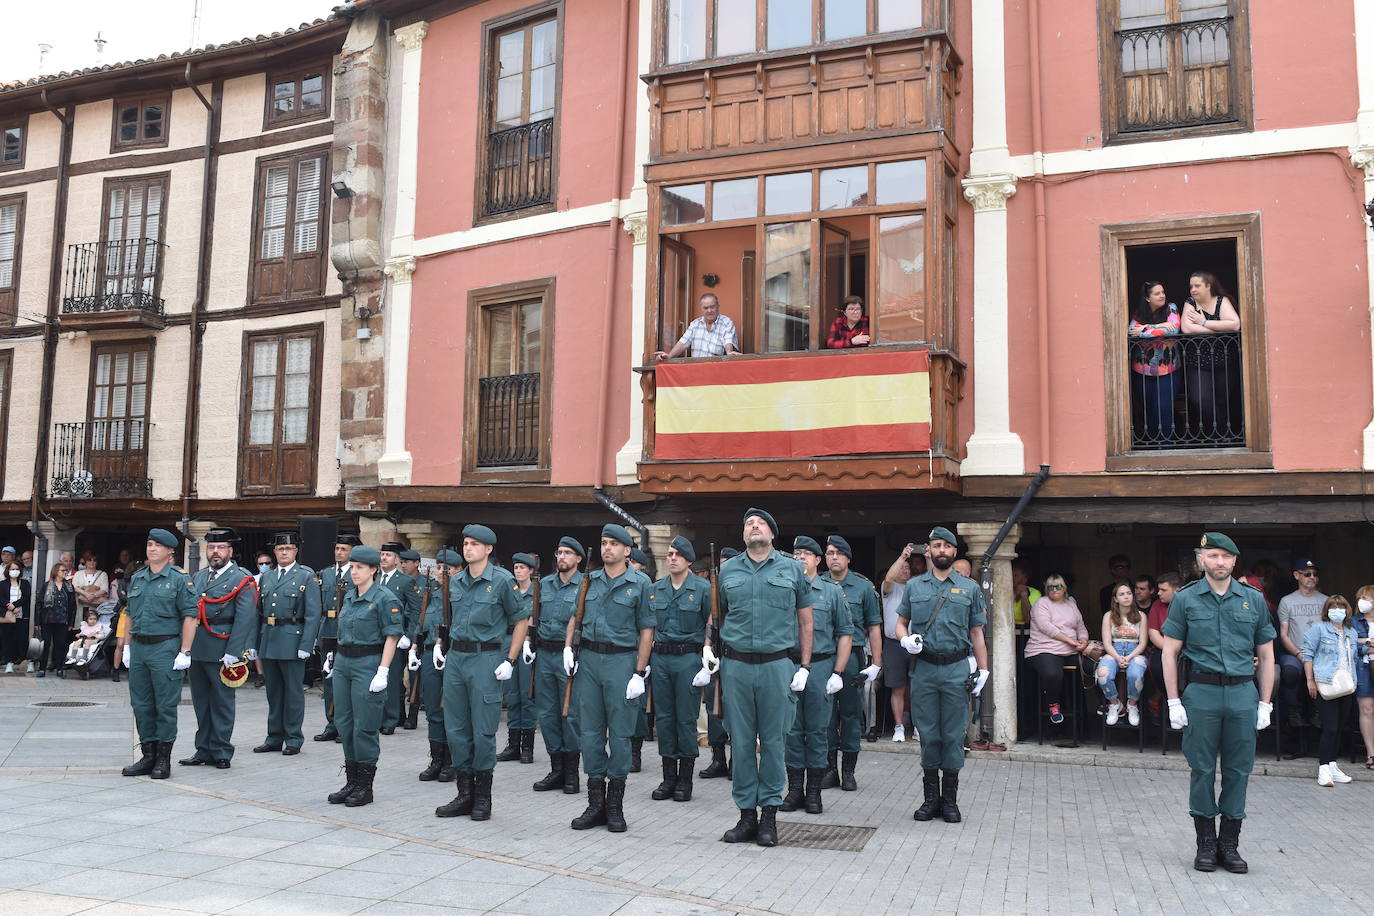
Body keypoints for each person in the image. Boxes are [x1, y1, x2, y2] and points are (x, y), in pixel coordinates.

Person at [1159, 531, 1274, 875]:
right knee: (1203, 770)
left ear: (1235, 561)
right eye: (1212, 556)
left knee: (1239, 770)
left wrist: (1266, 702)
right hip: (1202, 692)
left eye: (1225, 556)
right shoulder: (1186, 599)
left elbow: (1266, 655)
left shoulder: (1253, 600)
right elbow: (1169, 652)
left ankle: (1230, 845)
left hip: (1242, 692)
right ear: (1201, 561)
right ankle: (1206, 844)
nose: (1219, 562)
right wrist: (1173, 701)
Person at [716, 509, 812, 847]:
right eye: (747, 524)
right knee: (740, 742)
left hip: (776, 666)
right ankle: (746, 816)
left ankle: (769, 815)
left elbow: (805, 620)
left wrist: (804, 665)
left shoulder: (792, 569)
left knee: (773, 742)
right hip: (737, 666)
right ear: (743, 535)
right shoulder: (727, 570)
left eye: (760, 523)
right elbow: (722, 615)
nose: (753, 526)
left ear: (772, 534)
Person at [434, 524, 528, 822]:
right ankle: (464, 794)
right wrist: (440, 645)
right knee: (456, 729)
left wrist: (510, 660)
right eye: (466, 543)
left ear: (488, 549)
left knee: (483, 731)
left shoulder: (502, 581)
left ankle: (483, 797)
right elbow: (447, 619)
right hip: (457, 658)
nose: (468, 548)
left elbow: (522, 620)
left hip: (486, 659)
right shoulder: (456, 581)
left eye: (475, 544)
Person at [895, 527, 988, 823]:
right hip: (924, 668)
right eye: (937, 545)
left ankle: (950, 801)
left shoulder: (969, 589)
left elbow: (977, 633)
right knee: (928, 733)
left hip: (955, 669)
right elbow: (901, 623)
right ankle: (930, 799)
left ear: (954, 552)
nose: (942, 550)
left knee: (952, 733)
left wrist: (984, 669)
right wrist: (904, 640)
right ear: (929, 552)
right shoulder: (914, 586)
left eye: (947, 546)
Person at [564, 524, 653, 833]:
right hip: (589, 661)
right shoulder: (588, 581)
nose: (607, 548)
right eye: (603, 543)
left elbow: (647, 630)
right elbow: (575, 617)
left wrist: (639, 672)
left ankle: (615, 806)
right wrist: (567, 648)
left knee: (620, 735)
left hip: (621, 661)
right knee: (589, 733)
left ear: (627, 550)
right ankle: (595, 804)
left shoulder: (640, 583)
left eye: (614, 543)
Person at [326, 545, 402, 807]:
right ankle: (352, 781)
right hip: (344, 662)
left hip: (368, 663)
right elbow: (343, 630)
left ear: (373, 570)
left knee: (364, 727)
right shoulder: (349, 596)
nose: (354, 572)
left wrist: (383, 670)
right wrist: (332, 656)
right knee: (344, 723)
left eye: (360, 567)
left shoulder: (384, 598)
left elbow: (392, 636)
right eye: (352, 567)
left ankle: (365, 787)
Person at [119, 529, 196, 780]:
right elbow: (130, 613)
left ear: (169, 551)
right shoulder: (138, 578)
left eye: (157, 546)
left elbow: (189, 616)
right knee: (141, 704)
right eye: (149, 544)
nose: (151, 549)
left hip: (165, 647)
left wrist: (185, 651)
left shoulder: (179, 579)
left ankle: (163, 759)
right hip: (139, 646)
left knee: (164, 705)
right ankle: (148, 755)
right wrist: (127, 646)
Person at [783, 536, 852, 815]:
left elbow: (845, 634)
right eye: (796, 553)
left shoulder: (831, 592)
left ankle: (813, 793)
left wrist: (838, 672)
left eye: (806, 554)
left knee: (817, 730)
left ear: (817, 560)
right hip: (789, 664)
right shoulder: (785, 589)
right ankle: (794, 791)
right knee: (791, 730)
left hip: (821, 667)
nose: (800, 558)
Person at [179, 527, 258, 770]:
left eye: (221, 547)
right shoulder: (200, 576)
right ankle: (203, 749)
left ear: (231, 551)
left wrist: (234, 651)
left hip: (224, 646)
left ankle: (222, 750)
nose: (215, 552)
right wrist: (186, 648)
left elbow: (245, 618)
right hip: (200, 646)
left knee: (222, 702)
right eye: (211, 547)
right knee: (201, 701)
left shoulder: (242, 578)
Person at [648, 535, 713, 804]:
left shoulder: (703, 588)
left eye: (677, 554)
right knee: (664, 718)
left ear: (688, 560)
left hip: (688, 658)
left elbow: (712, 621)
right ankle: (668, 778)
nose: (672, 558)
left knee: (685, 719)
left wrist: (707, 655)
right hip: (661, 658)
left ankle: (685, 780)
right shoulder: (656, 588)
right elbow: (648, 624)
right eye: (670, 554)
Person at [252, 531, 323, 756]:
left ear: (295, 551)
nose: (284, 552)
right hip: (269, 639)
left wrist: (306, 644)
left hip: (293, 640)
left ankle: (293, 738)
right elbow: (258, 612)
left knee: (293, 693)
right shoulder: (268, 577)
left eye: (288, 549)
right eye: (280, 549)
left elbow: (313, 614)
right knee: (273, 692)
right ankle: (274, 737)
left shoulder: (306, 576)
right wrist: (255, 642)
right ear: (274, 552)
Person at [821, 535, 882, 790]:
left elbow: (874, 627)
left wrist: (877, 663)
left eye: (838, 553)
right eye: (829, 553)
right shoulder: (816, 584)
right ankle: (828, 769)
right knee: (825, 715)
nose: (833, 557)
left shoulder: (863, 587)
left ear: (848, 558)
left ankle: (848, 770)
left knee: (850, 715)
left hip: (853, 656)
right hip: (823, 656)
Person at [531, 537, 586, 795]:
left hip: (569, 655)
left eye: (567, 553)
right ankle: (557, 769)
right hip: (545, 653)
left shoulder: (585, 584)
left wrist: (573, 650)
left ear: (578, 558)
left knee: (570, 714)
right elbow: (533, 614)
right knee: (548, 713)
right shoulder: (544, 584)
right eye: (559, 552)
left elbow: (582, 619)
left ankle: (572, 773)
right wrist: (529, 643)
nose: (561, 557)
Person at [1302, 595, 1362, 787]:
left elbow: (1354, 657)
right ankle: (1323, 768)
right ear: (1327, 610)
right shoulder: (1318, 629)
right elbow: (1308, 654)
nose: (1338, 610)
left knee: (1339, 728)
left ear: (1347, 610)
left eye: (1341, 606)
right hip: (1326, 683)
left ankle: (1333, 765)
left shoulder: (1350, 632)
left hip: (1346, 684)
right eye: (1333, 607)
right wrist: (1310, 680)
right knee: (1330, 728)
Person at [1180, 270, 1242, 438]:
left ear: (1209, 286)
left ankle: (1220, 437)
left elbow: (1235, 325)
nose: (1193, 289)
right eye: (1191, 286)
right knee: (1201, 399)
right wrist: (1218, 328)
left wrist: (1204, 322)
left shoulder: (1222, 301)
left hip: (1224, 361)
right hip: (1198, 362)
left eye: (1197, 285)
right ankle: (1219, 435)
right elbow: (1186, 328)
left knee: (1223, 400)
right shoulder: (1190, 303)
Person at [1024, 574, 1088, 728]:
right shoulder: (1041, 603)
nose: (1054, 589)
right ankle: (1053, 704)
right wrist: (1071, 640)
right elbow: (1046, 627)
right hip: (1044, 649)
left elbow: (1081, 626)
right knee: (1053, 673)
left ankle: (1108, 705)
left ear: (1064, 588)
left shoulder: (1071, 604)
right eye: (1050, 587)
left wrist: (1083, 641)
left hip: (1071, 651)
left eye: (1058, 586)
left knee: (1098, 668)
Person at [413, 549, 455, 782]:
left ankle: (452, 761)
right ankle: (437, 760)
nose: (441, 572)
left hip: (452, 655)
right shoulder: (431, 591)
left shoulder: (458, 593)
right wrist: (413, 649)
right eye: (439, 568)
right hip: (429, 653)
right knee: (432, 709)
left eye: (446, 568)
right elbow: (421, 621)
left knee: (450, 710)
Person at [315, 534, 361, 743]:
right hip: (328, 629)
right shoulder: (325, 573)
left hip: (348, 631)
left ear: (352, 551)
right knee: (329, 678)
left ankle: (346, 726)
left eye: (344, 549)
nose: (339, 552)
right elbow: (317, 606)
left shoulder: (357, 573)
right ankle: (331, 723)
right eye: (337, 548)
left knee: (346, 681)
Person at [498, 553, 540, 765]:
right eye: (516, 567)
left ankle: (527, 747)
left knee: (526, 694)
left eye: (523, 567)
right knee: (511, 694)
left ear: (531, 571)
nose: (518, 571)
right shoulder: (509, 590)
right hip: (508, 639)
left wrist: (529, 641)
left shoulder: (537, 592)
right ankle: (513, 744)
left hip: (527, 645)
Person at [1128, 280, 1181, 444]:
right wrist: (1159, 328)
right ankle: (1151, 444)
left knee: (1163, 408)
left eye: (1163, 292)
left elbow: (1174, 327)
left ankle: (1165, 445)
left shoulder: (1171, 308)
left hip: (1168, 369)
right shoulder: (1138, 313)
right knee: (1148, 408)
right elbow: (1132, 331)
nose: (1162, 296)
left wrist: (1145, 329)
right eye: (1157, 293)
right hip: (1142, 370)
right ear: (1147, 298)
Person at [377, 542, 420, 735]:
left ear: (396, 560)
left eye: (388, 555)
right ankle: (377, 716)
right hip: (374, 637)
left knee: (392, 679)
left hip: (394, 637)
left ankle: (390, 719)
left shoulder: (404, 581)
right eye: (382, 554)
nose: (384, 558)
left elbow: (416, 611)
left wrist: (408, 635)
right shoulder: (374, 578)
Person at [1277, 558, 1326, 726]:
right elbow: (1284, 635)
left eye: (1315, 574)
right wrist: (1299, 654)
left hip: (1321, 653)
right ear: (1296, 576)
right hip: (1294, 652)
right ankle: (1293, 710)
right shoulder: (1287, 601)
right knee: (1290, 672)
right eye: (1307, 574)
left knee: (1324, 672)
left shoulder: (1326, 601)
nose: (1312, 577)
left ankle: (1316, 710)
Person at [881, 545, 921, 741]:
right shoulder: (888, 588)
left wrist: (929, 556)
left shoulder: (916, 586)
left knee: (917, 687)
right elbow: (889, 578)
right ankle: (898, 727)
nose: (905, 570)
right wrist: (903, 555)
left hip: (914, 643)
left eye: (908, 567)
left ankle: (917, 727)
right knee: (898, 687)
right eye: (902, 567)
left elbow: (931, 573)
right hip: (893, 643)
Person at [1098, 583, 1149, 727]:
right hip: (1114, 650)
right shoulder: (1108, 616)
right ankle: (1114, 704)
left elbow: (1143, 643)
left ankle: (1132, 705)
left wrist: (1129, 657)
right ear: (1115, 599)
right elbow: (1107, 643)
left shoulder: (1141, 616)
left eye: (1128, 593)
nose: (1126, 596)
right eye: (1122, 594)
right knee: (1102, 674)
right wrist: (1118, 657)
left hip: (1135, 652)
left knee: (1135, 674)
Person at [653, 292, 740, 360]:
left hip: (718, 369)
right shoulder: (695, 324)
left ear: (718, 306)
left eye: (712, 307)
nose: (709, 310)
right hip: (696, 369)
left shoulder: (727, 322)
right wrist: (669, 356)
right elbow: (683, 342)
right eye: (706, 308)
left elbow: (728, 341)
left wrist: (729, 352)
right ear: (701, 309)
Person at [36, 561, 77, 678]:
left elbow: (73, 606)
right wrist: (37, 622)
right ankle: (42, 668)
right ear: (56, 572)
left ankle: (59, 667)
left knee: (60, 645)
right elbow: (39, 604)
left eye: (65, 571)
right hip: (47, 620)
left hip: (62, 620)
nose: (65, 572)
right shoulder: (46, 585)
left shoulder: (69, 586)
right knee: (46, 644)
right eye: (62, 571)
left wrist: (71, 622)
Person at [1355, 585, 1374, 770]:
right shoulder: (1354, 622)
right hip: (1363, 669)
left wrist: (1363, 643)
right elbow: (1350, 642)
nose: (1363, 601)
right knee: (1367, 709)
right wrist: (1368, 643)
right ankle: (1371, 754)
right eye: (1360, 598)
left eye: (1367, 598)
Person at [1, 557, 31, 673]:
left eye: (17, 569)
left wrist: (15, 605)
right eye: (12, 569)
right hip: (7, 615)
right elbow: (1, 597)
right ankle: (9, 662)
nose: (14, 571)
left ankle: (24, 661)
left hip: (21, 615)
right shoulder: (2, 584)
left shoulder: (25, 583)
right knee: (7, 639)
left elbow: (26, 596)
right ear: (8, 571)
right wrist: (8, 606)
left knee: (22, 638)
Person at [73, 553, 110, 624]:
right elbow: (75, 587)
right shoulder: (78, 574)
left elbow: (105, 589)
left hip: (97, 606)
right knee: (81, 626)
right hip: (81, 606)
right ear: (85, 562)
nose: (92, 562)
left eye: (94, 560)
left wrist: (94, 595)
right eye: (89, 560)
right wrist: (86, 594)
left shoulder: (103, 574)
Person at [1010, 562, 1041, 627]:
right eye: (1010, 574)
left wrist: (1024, 595)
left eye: (1015, 575)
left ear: (1025, 579)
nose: (1011, 577)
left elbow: (1029, 619)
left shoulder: (1035, 593)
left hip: (1025, 631)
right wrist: (1014, 595)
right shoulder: (1002, 591)